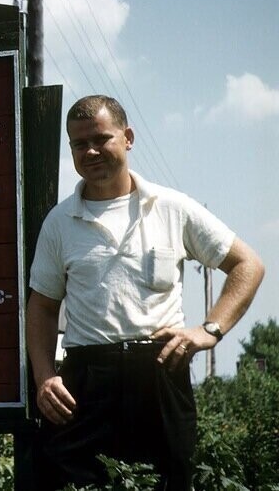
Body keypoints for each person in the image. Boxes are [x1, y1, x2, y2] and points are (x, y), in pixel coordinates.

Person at [26, 95, 264, 490]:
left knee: (167, 481)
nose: (91, 151)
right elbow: (43, 307)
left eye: (101, 139)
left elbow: (248, 265)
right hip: (87, 379)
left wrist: (209, 330)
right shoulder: (59, 221)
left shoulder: (171, 207)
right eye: (79, 144)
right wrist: (44, 377)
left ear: (128, 137)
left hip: (159, 372)